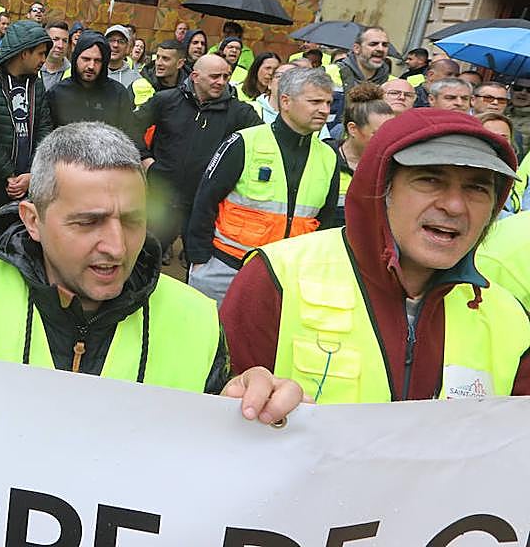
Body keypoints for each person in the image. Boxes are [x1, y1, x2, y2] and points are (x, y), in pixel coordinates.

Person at [0, 122, 305, 425]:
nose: (116, 247)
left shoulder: (197, 321)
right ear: (32, 220)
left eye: (133, 221)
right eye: (88, 222)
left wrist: (247, 407)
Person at [222, 109, 530, 402]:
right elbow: (213, 416)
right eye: (430, 180)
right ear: (381, 187)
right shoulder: (278, 276)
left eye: (477, 188)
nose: (454, 206)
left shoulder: (510, 318)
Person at [185, 68, 338, 303]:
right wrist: (199, 259)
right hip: (226, 267)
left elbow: (325, 220)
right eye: (315, 101)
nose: (325, 110)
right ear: (285, 101)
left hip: (285, 276)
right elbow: (205, 200)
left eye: (328, 102)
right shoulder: (244, 142)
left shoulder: (328, 157)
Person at [129, 54, 261, 257]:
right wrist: (145, 159)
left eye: (226, 77)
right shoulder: (166, 100)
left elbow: (262, 140)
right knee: (145, 254)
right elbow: (131, 126)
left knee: (198, 259)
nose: (221, 82)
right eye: (215, 76)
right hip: (162, 195)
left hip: (205, 202)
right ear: (195, 76)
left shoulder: (239, 112)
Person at [0, 21, 53, 216]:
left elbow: (44, 129)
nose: (44, 59)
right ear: (24, 53)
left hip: (27, 183)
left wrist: (31, 175)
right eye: (40, 53)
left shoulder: (36, 85)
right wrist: (9, 174)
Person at [333, 83, 396, 226]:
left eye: (391, 132)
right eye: (377, 133)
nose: (387, 139)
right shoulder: (325, 159)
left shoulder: (394, 165)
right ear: (353, 129)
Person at [47, 30, 134, 131]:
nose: (91, 66)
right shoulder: (57, 93)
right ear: (76, 59)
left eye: (97, 61)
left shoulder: (118, 93)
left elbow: (130, 133)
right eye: (86, 59)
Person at [331, 26, 391, 96]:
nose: (380, 49)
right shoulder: (328, 74)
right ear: (357, 48)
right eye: (373, 44)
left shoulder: (393, 83)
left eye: (385, 45)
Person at [131, 39, 188, 106]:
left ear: (180, 63)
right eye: (158, 57)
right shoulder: (139, 85)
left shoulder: (190, 90)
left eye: (165, 58)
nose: (158, 63)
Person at [102, 25, 140, 89]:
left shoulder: (135, 79)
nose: (115, 45)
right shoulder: (93, 71)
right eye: (111, 40)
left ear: (127, 47)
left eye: (121, 41)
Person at [39, 21, 71, 90]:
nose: (60, 45)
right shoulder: (31, 69)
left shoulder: (73, 74)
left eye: (64, 41)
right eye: (55, 39)